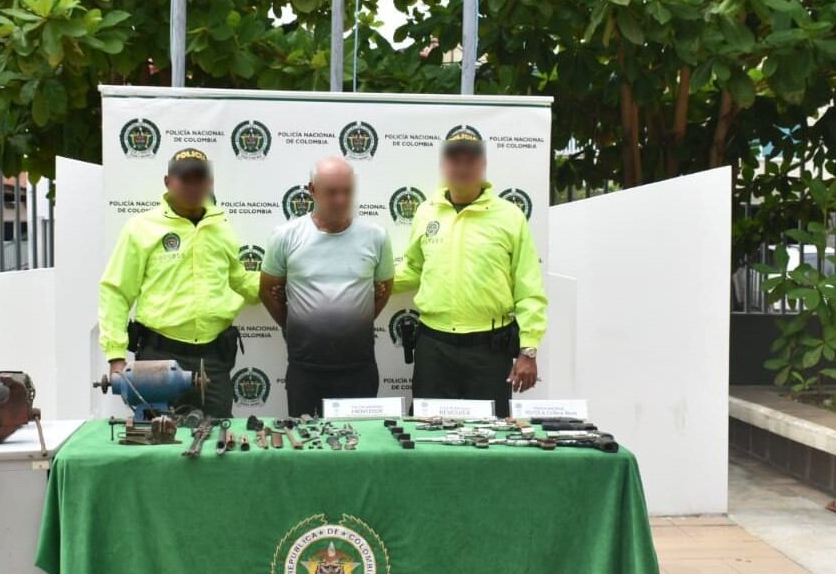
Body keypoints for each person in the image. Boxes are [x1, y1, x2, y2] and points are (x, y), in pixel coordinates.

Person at [393, 128, 548, 416]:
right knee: (428, 436)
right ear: (444, 166)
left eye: (470, 160)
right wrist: (371, 282)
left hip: (489, 350)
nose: (462, 167)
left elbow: (528, 287)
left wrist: (528, 350)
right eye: (455, 160)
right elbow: (413, 269)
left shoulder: (509, 216)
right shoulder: (427, 212)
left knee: (490, 439)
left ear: (482, 165)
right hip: (434, 346)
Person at [98, 148, 258, 417]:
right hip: (159, 357)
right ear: (168, 182)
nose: (194, 186)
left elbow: (240, 280)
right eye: (186, 179)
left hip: (214, 360)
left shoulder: (222, 227)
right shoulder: (140, 228)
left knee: (217, 442)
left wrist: (280, 281)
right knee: (157, 442)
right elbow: (116, 291)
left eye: (201, 178)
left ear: (210, 182)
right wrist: (116, 356)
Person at [260, 156, 395, 417]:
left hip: (359, 367)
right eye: (332, 192)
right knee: (307, 449)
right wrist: (296, 322)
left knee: (359, 446)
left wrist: (356, 318)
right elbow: (268, 290)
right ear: (312, 190)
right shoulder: (285, 236)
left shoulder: (376, 236)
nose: (341, 200)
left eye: (347, 191)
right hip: (304, 369)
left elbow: (383, 289)